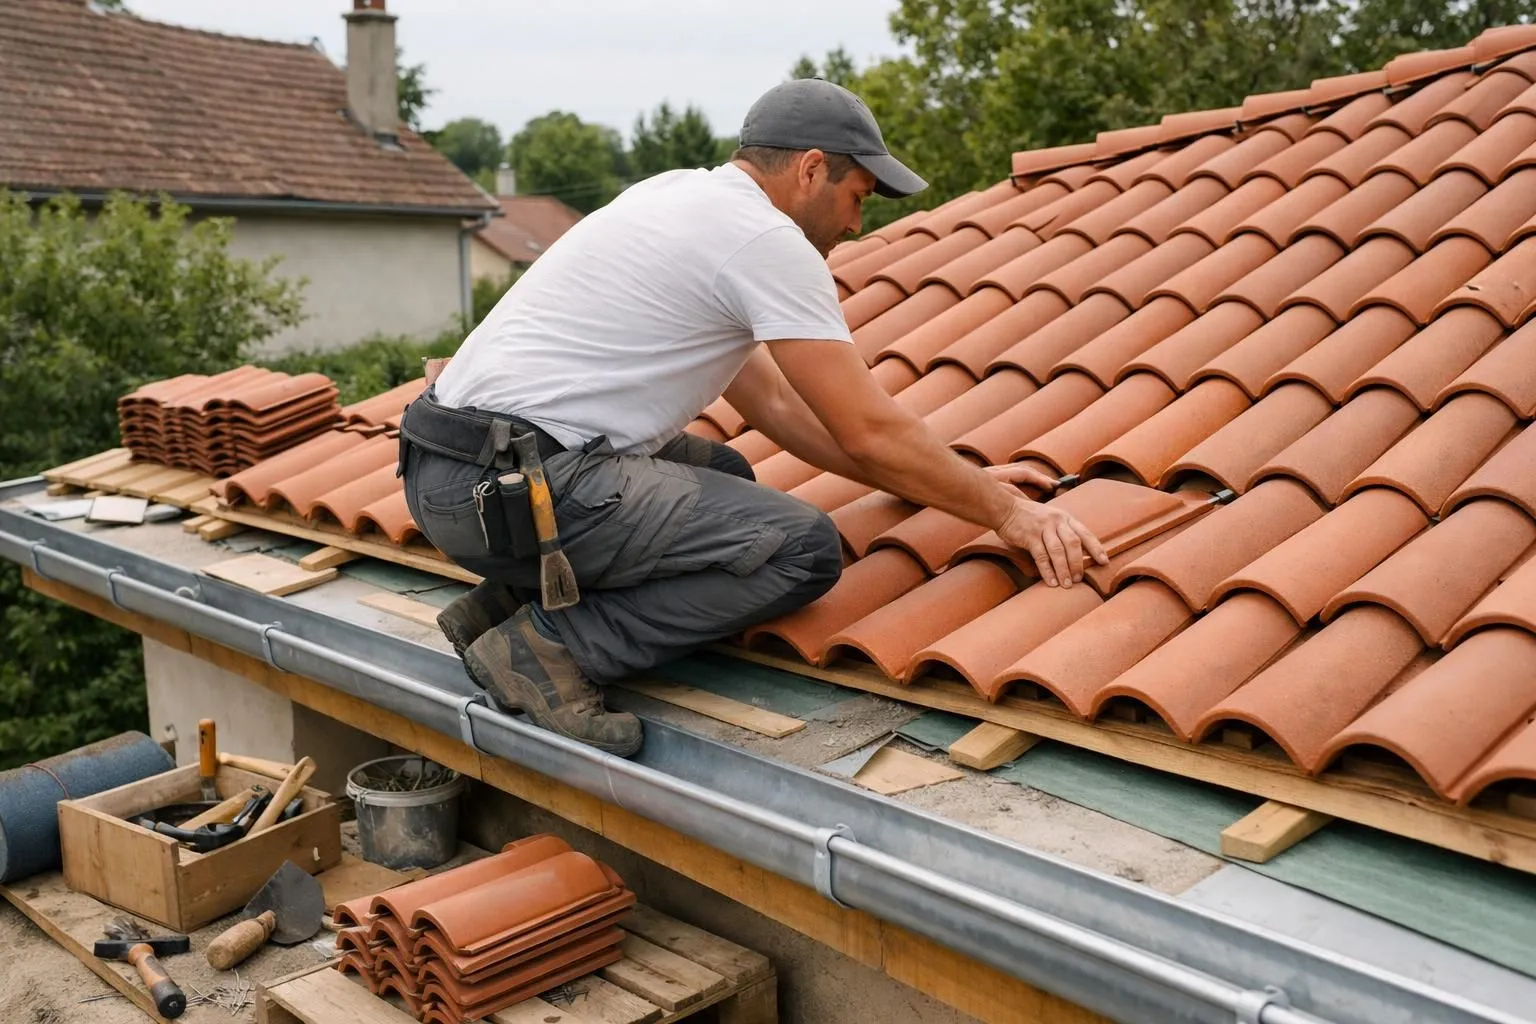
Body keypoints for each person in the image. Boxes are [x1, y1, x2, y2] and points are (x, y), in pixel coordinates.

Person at [398, 78, 1107, 758]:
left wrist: (952, 483)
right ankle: (548, 652)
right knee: (798, 547)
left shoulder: (678, 195)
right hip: (510, 490)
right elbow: (868, 428)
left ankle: (500, 609)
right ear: (810, 169)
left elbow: (778, 406)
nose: (858, 225)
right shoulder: (765, 241)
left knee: (727, 475)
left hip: (452, 475)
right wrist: (1008, 513)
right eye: (858, 196)